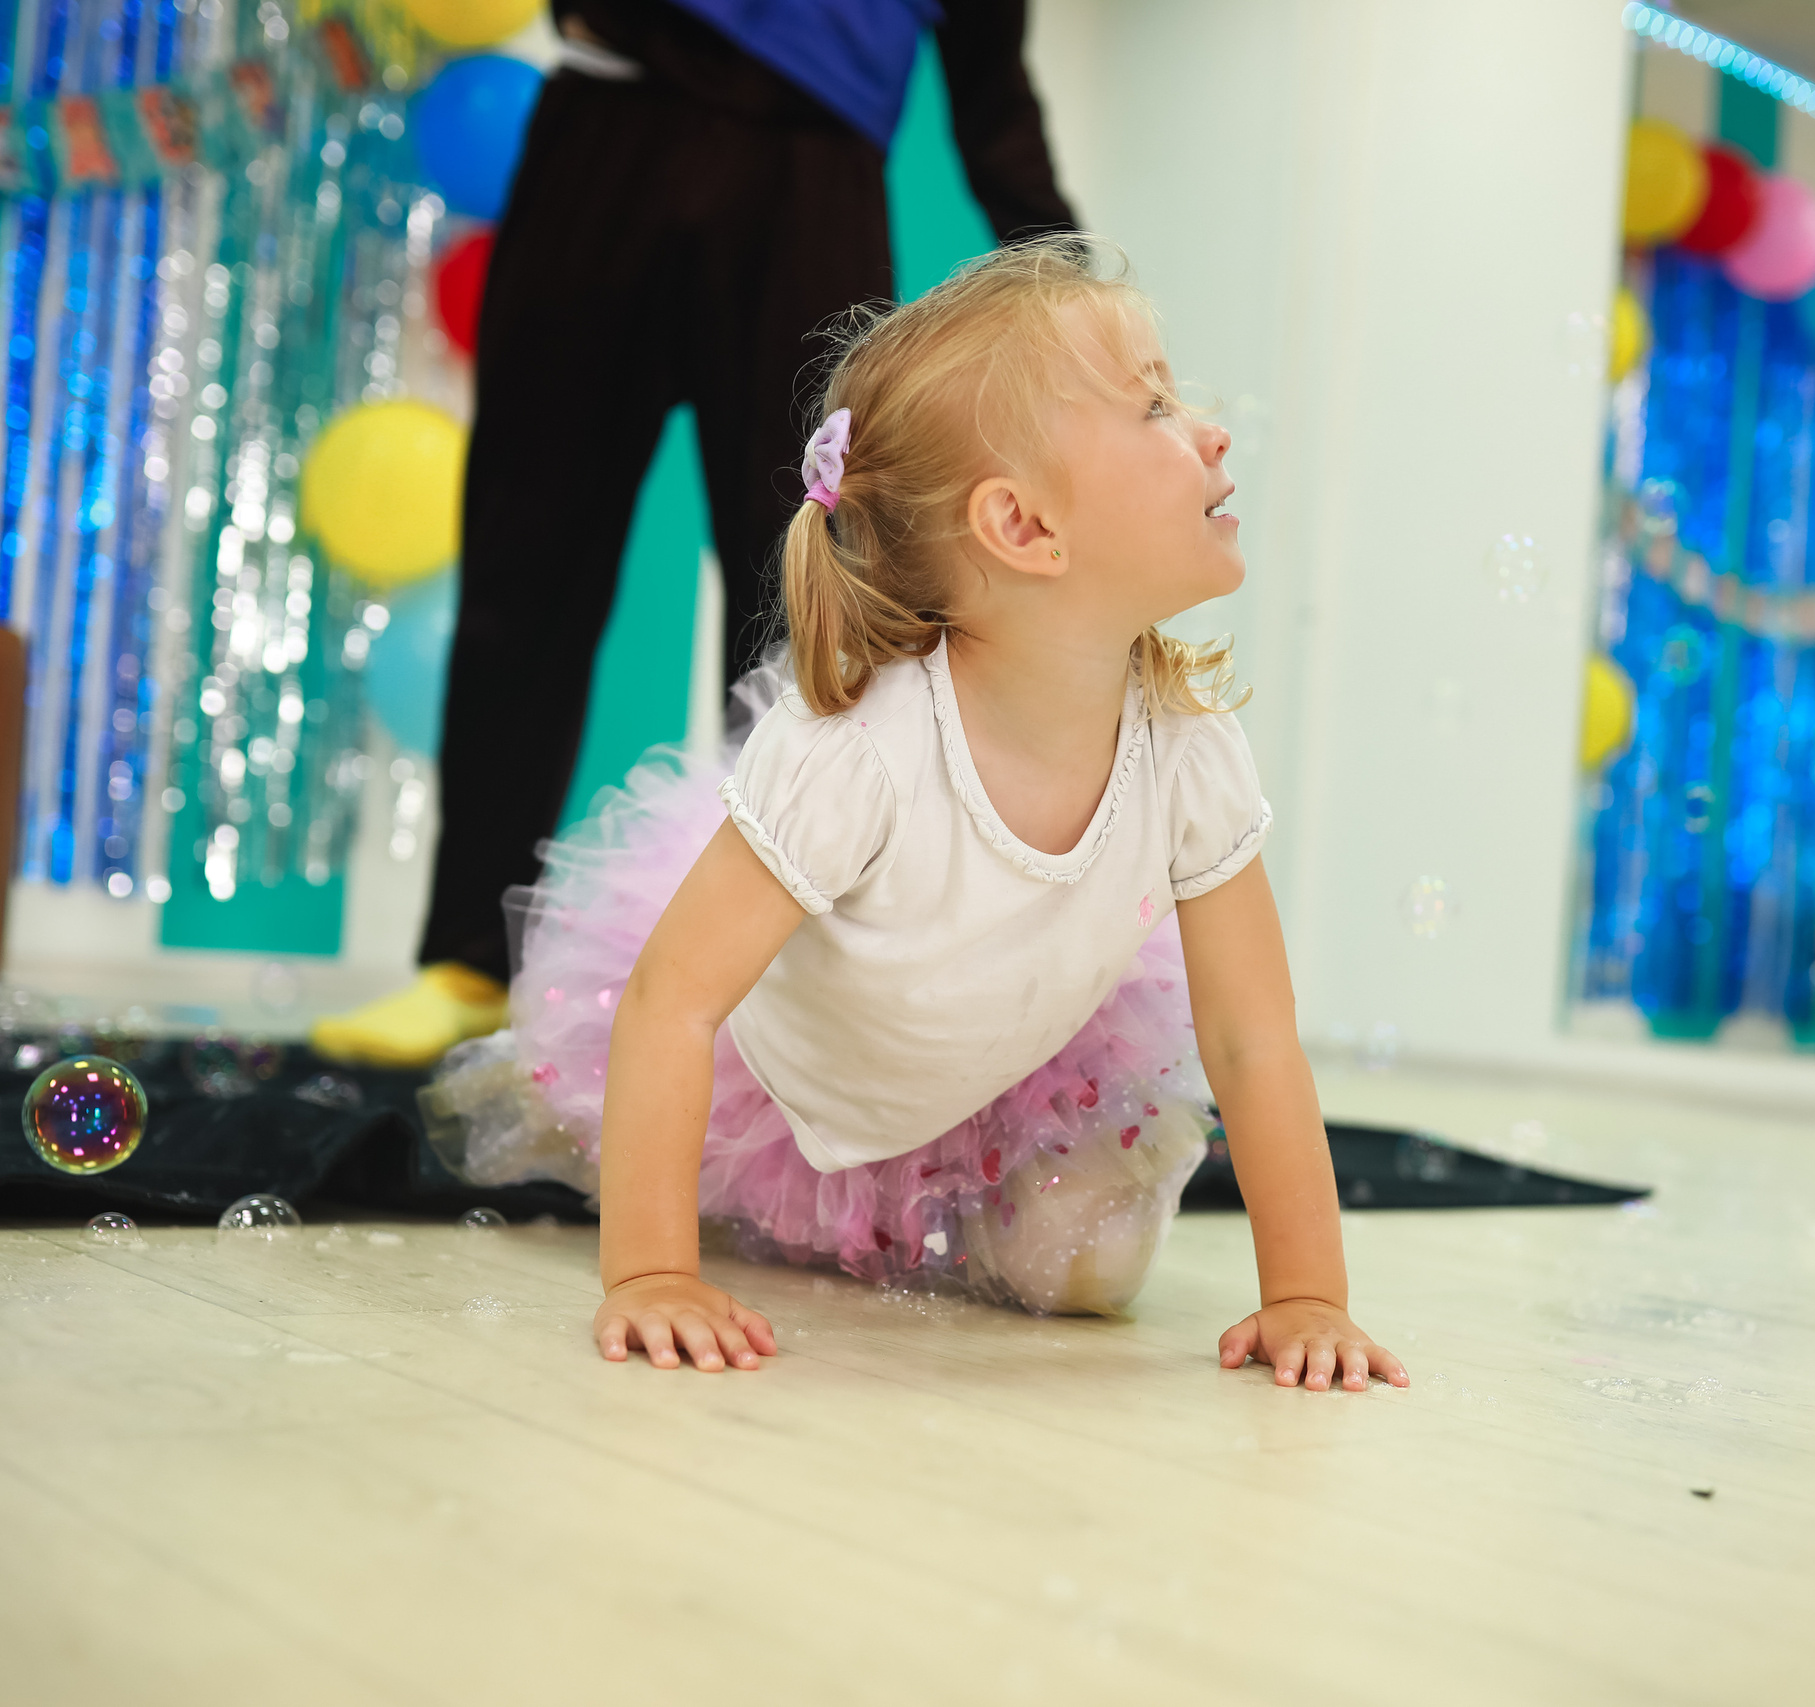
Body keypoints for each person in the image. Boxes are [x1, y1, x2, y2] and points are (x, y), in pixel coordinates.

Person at [423, 242, 1407, 1388]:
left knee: (1087, 1272)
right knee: (622, 1132)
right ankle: (756, 1188)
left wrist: (1304, 1299)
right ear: (1025, 528)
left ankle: (950, 1203)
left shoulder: (1188, 748)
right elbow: (671, 1000)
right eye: (1153, 406)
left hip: (1016, 1063)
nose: (1209, 429)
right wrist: (648, 1272)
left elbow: (1250, 1038)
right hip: (790, 1077)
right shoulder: (860, 752)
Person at [313, 0, 1074, 1068]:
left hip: (812, 179)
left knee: (803, 607)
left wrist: (1066, 284)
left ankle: (762, 985)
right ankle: (468, 962)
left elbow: (992, 99)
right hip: (605, 126)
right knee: (521, 569)